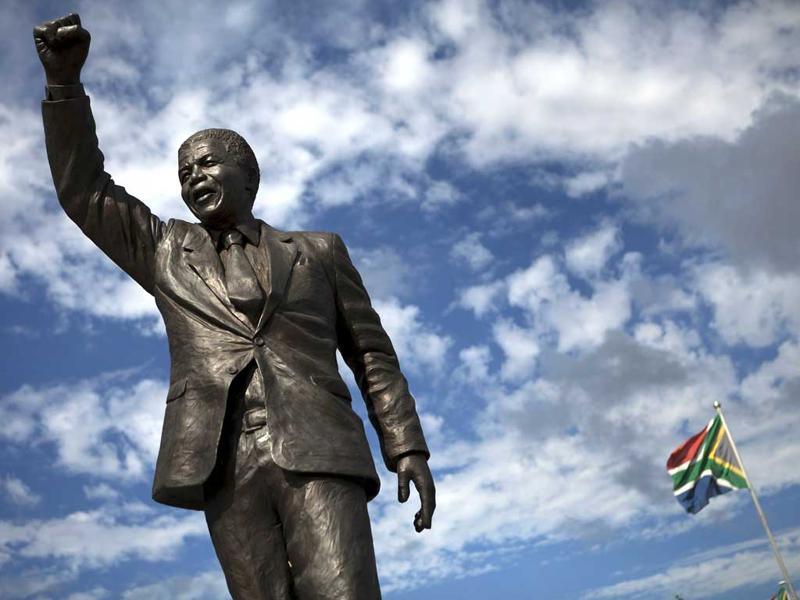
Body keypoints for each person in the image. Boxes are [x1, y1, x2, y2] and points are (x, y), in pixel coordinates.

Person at [34, 13, 435, 600]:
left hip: (319, 451)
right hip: (222, 461)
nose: (194, 177)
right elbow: (84, 191)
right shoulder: (165, 249)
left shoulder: (318, 252)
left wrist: (406, 446)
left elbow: (373, 357)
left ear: (248, 175)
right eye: (184, 172)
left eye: (207, 163)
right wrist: (65, 86)